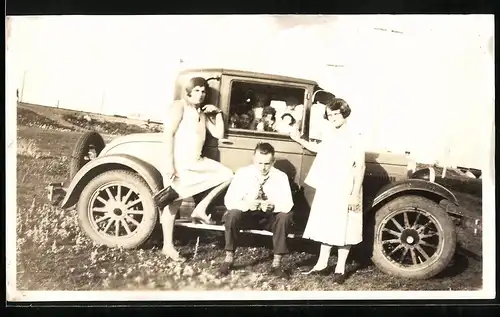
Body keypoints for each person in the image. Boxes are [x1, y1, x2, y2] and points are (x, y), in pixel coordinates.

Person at [153, 76, 234, 262]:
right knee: (173, 204)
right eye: (197, 90)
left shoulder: (202, 112)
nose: (201, 94)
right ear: (188, 91)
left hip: (196, 162)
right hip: (179, 163)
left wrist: (218, 113)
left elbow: (218, 133)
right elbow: (169, 134)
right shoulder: (179, 106)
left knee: (227, 175)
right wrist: (169, 163)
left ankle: (200, 209)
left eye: (204, 91)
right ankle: (168, 246)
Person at [290, 97, 366, 284]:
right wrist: (298, 139)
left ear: (344, 113)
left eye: (336, 114)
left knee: (345, 226)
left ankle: (340, 268)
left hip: (347, 185)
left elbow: (361, 166)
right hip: (329, 184)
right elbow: (320, 149)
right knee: (326, 223)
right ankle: (322, 264)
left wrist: (354, 194)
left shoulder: (355, 135)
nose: (333, 118)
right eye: (330, 115)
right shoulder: (330, 132)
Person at [218, 142, 294, 278]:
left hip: (269, 219)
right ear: (254, 159)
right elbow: (229, 201)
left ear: (273, 161)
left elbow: (288, 204)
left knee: (284, 217)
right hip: (247, 217)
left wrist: (273, 206)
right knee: (232, 214)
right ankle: (229, 258)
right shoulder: (243, 173)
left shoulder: (280, 177)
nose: (263, 168)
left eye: (267, 164)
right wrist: (248, 204)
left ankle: (276, 264)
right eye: (259, 163)